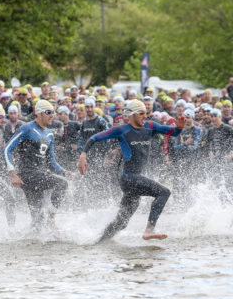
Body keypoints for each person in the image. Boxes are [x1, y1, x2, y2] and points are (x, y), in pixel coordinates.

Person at [78, 100, 185, 242]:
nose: (144, 116)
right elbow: (94, 137)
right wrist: (83, 155)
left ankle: (98, 242)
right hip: (128, 178)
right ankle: (148, 231)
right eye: (141, 113)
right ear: (133, 115)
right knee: (164, 192)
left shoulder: (151, 126)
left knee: (121, 222)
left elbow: (173, 132)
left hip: (134, 181)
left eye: (146, 113)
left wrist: (180, 128)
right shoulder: (122, 130)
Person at [3, 100, 73, 229]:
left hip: (38, 175)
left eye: (53, 112)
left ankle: (29, 242)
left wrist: (64, 172)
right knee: (62, 183)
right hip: (27, 174)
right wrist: (12, 174)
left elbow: (51, 161)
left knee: (38, 220)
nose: (52, 115)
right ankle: (51, 218)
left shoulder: (50, 134)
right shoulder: (27, 128)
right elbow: (7, 149)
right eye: (48, 112)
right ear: (39, 113)